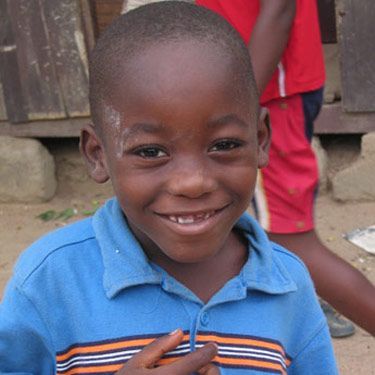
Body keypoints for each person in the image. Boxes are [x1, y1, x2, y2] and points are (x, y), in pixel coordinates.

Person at [0, 2, 338, 374]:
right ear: (98, 155)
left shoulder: (288, 285)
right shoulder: (50, 282)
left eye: (223, 145)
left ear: (260, 140)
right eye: (151, 152)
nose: (191, 182)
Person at [195, 0, 375, 338]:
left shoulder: (252, 115)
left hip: (264, 96)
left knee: (291, 239)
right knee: (254, 223)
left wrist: (236, 103)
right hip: (261, 89)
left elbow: (279, 9)